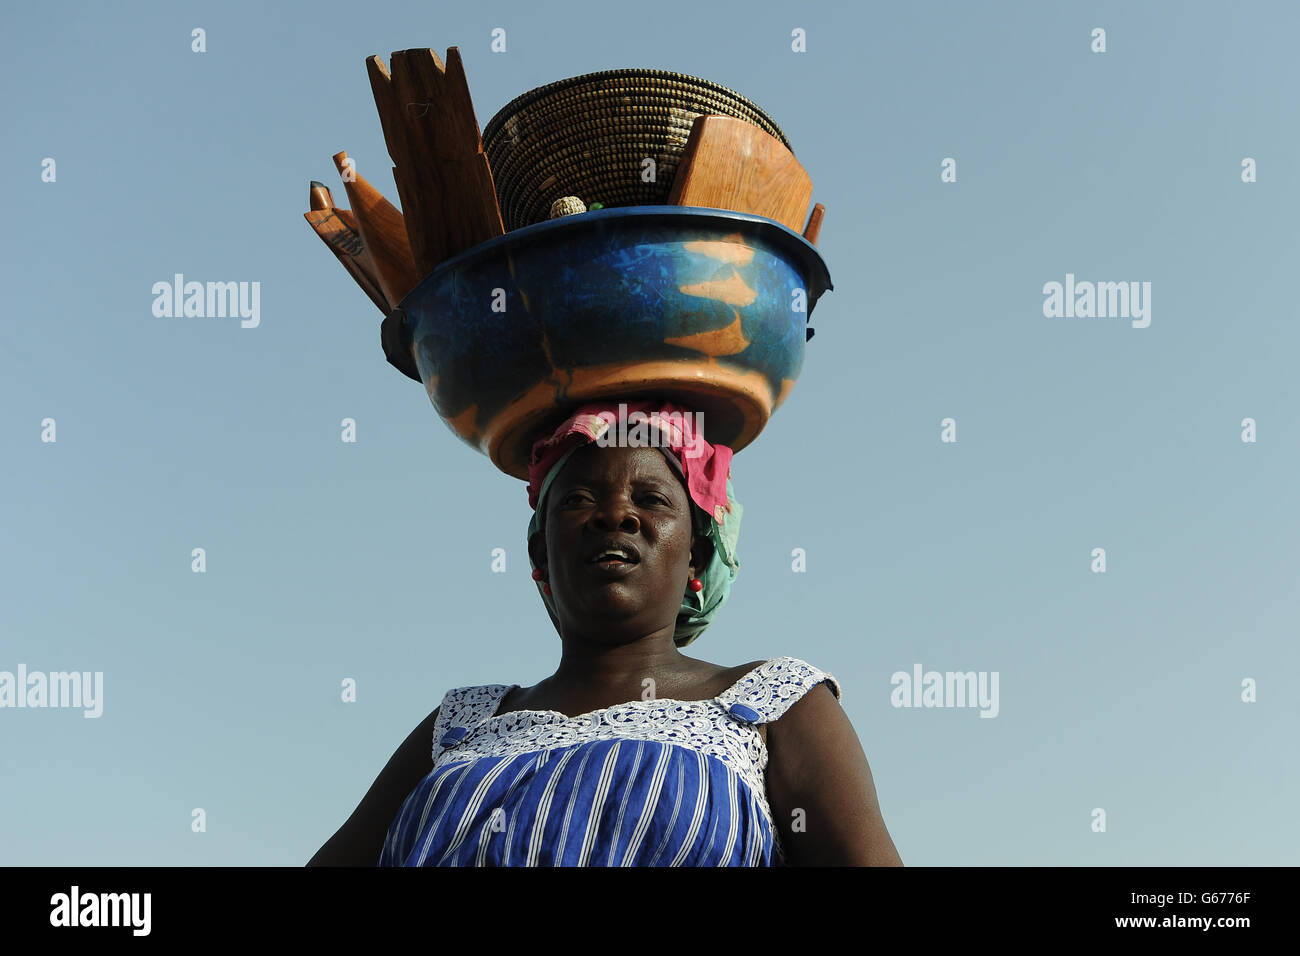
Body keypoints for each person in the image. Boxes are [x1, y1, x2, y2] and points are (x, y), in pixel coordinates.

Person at [308, 400, 901, 866]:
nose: (615, 514)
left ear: (697, 553)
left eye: (651, 499)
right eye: (580, 499)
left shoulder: (775, 706)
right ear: (540, 549)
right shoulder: (460, 727)